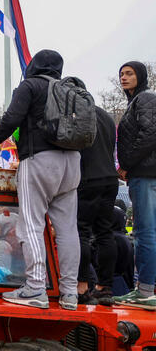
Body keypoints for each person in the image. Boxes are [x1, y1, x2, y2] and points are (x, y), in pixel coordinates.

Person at [0, 50, 81, 310]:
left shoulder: (30, 85)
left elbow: (12, 118)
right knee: (67, 229)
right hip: (72, 161)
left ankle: (36, 288)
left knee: (31, 224)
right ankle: (70, 293)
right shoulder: (69, 89)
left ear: (34, 65)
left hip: (39, 159)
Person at [114, 61, 156, 308]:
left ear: (140, 76)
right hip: (144, 173)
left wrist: (126, 163)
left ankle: (145, 291)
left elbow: (151, 133)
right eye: (121, 74)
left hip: (145, 173)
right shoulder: (137, 101)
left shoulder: (145, 98)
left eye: (129, 73)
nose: (123, 78)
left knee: (145, 232)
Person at [76, 105, 119, 306]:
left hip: (88, 179)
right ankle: (105, 287)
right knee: (105, 232)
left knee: (81, 231)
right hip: (110, 178)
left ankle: (82, 285)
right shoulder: (105, 116)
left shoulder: (77, 113)